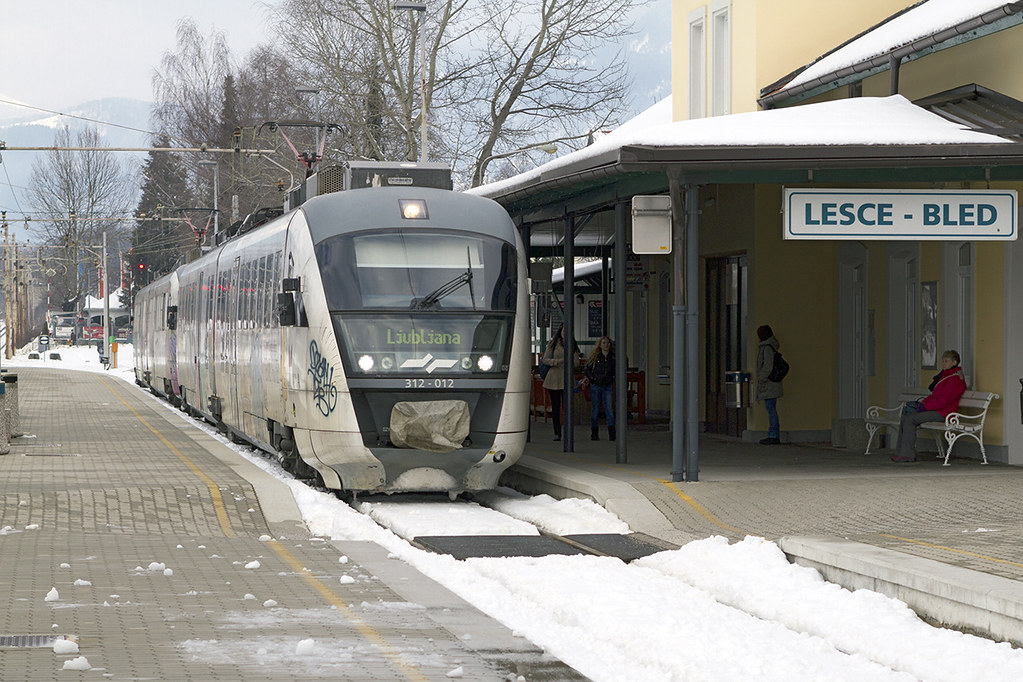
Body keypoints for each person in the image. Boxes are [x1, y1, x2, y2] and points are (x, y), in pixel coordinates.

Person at [891, 349, 967, 463]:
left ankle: (907, 455)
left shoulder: (955, 379)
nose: (943, 363)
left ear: (954, 362)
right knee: (906, 417)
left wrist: (925, 407)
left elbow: (944, 401)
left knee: (910, 420)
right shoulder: (947, 376)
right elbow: (935, 396)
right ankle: (901, 452)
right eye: (943, 361)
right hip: (938, 410)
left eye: (946, 361)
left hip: (944, 413)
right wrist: (922, 403)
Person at [541, 325, 581, 441]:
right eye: (564, 331)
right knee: (556, 406)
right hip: (553, 378)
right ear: (560, 332)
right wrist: (557, 361)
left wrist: (570, 362)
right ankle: (557, 432)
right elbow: (545, 359)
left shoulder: (572, 345)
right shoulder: (552, 344)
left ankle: (568, 431)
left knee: (567, 406)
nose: (565, 333)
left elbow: (576, 362)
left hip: (567, 377)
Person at [582, 336, 616, 441]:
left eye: (608, 343)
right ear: (600, 345)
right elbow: (586, 369)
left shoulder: (613, 358)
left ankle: (612, 433)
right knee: (595, 409)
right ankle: (594, 432)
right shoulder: (595, 357)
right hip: (596, 385)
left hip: (608, 385)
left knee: (609, 409)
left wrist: (612, 378)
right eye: (604, 343)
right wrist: (593, 379)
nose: (606, 345)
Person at [755, 324, 783, 445]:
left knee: (771, 409)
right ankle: (773, 434)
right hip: (773, 383)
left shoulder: (766, 348)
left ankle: (773, 435)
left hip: (769, 384)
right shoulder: (772, 346)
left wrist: (761, 378)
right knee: (771, 408)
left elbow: (767, 366)